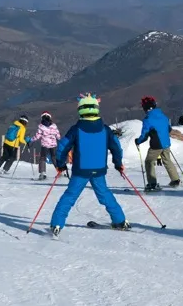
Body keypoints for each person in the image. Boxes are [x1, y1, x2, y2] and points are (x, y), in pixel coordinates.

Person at [49, 93, 129, 237]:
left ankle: (57, 224)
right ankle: (119, 220)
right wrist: (118, 164)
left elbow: (63, 147)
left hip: (81, 171)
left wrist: (60, 164)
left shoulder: (76, 129)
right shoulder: (105, 129)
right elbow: (116, 148)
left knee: (70, 196)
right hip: (99, 170)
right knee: (105, 194)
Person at [134, 96, 181, 191]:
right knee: (167, 160)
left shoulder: (148, 119)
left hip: (156, 145)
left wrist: (138, 141)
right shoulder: (163, 116)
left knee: (149, 162)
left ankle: (152, 184)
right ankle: (175, 180)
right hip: (166, 143)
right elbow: (169, 129)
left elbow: (144, 136)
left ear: (146, 108)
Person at [30, 112, 67, 180]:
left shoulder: (41, 126)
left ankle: (43, 173)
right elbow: (58, 136)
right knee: (54, 158)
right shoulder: (54, 126)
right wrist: (60, 140)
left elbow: (37, 136)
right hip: (53, 145)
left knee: (42, 158)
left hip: (45, 145)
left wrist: (31, 140)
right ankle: (61, 171)